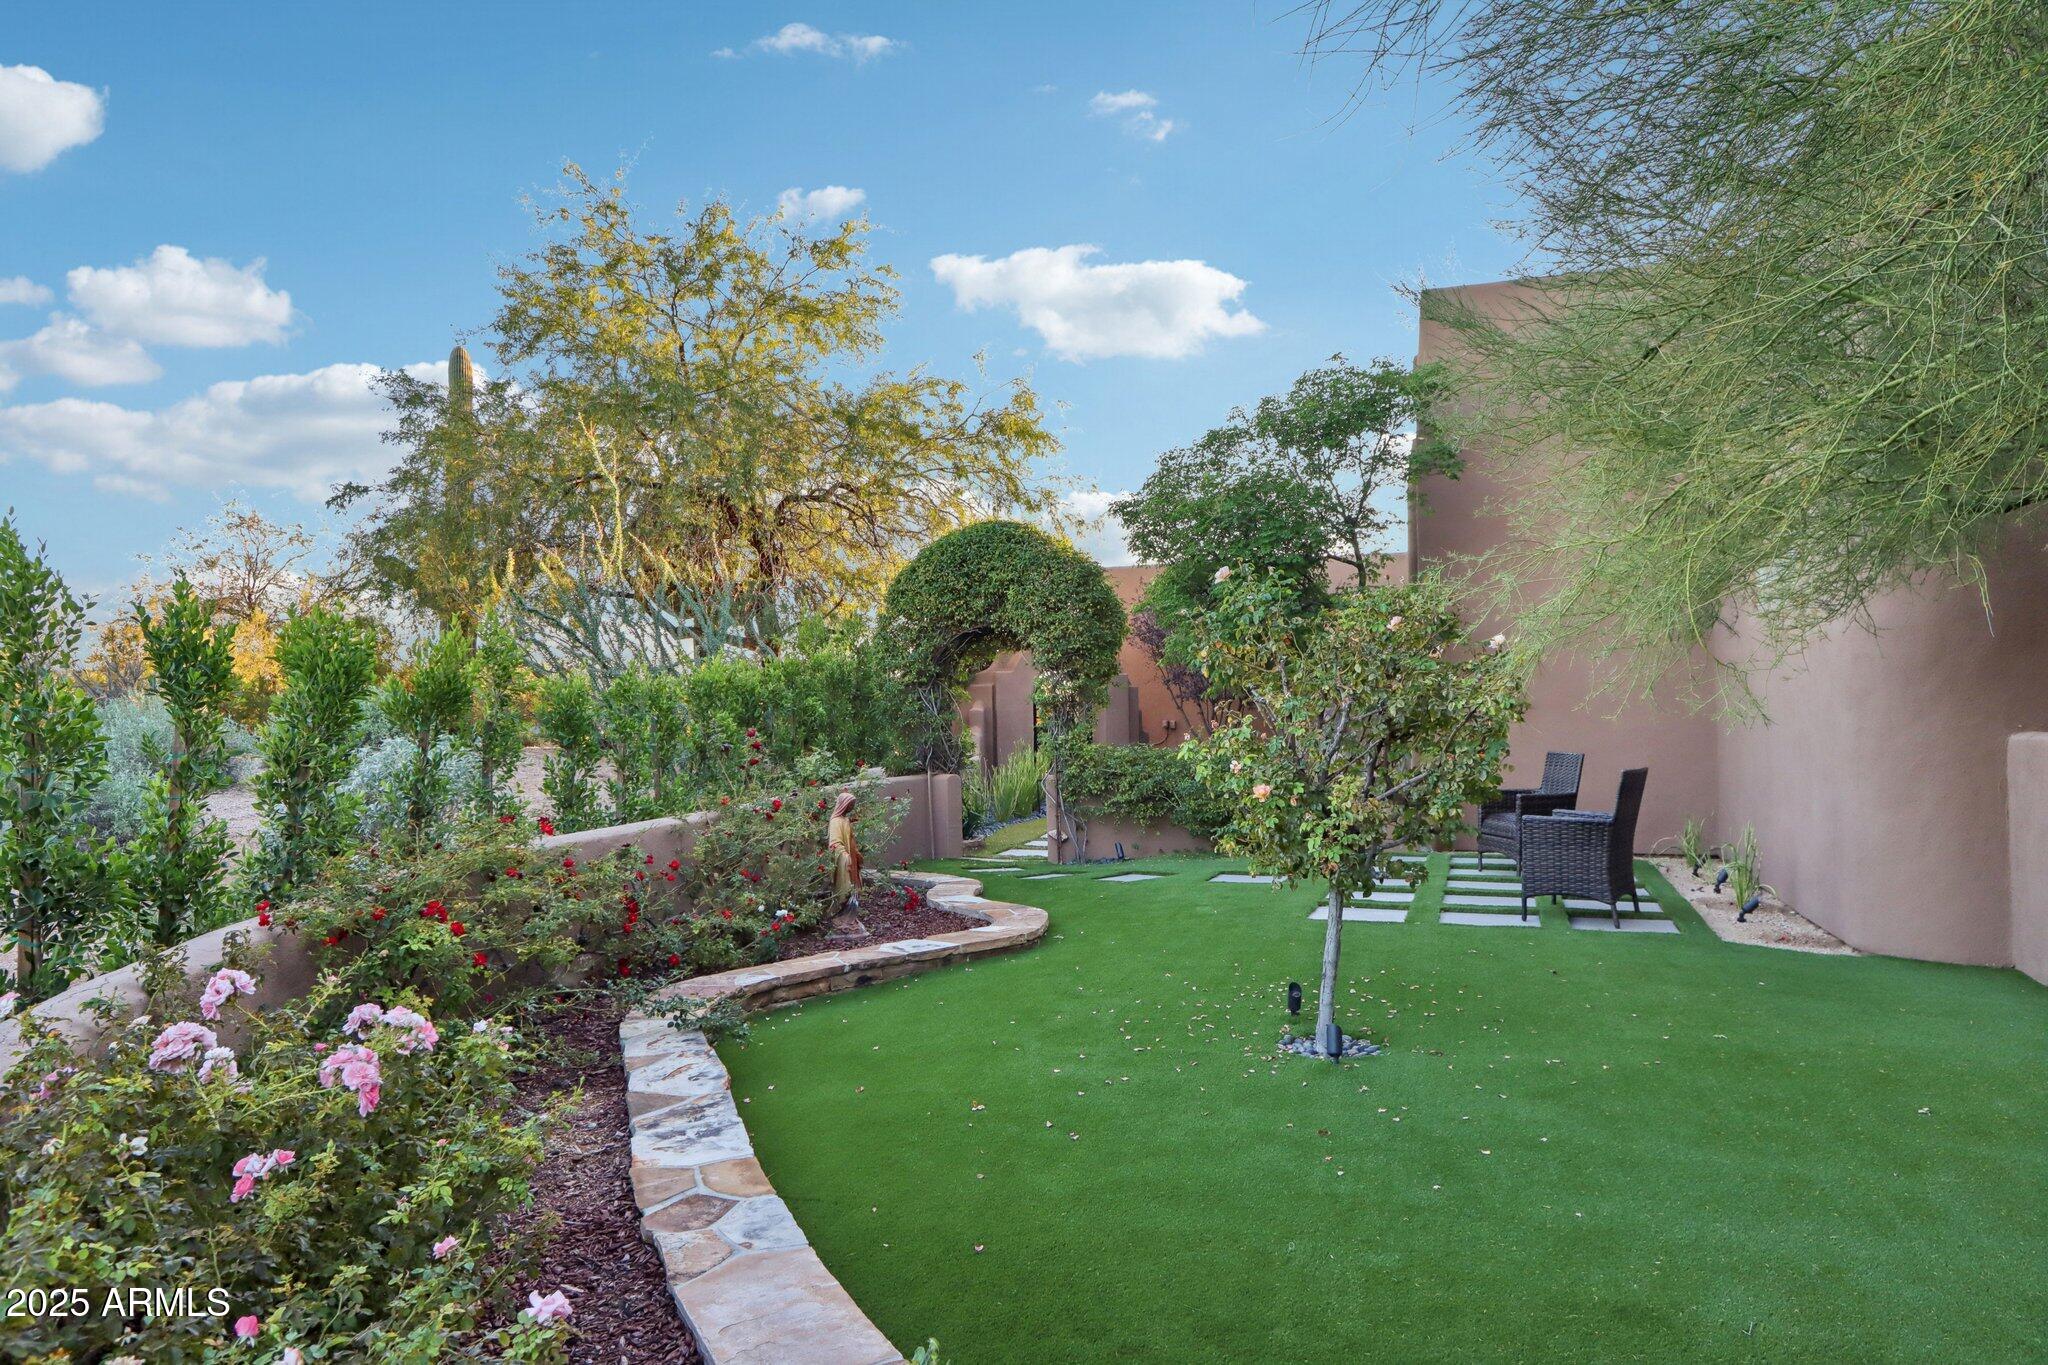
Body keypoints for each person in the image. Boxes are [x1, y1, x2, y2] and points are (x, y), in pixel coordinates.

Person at [828, 790, 863, 910]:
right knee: (846, 888)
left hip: (852, 857)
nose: (852, 807)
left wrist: (856, 854)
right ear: (843, 804)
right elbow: (835, 843)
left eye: (853, 805)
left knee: (855, 887)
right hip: (845, 859)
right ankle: (843, 913)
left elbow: (851, 839)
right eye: (850, 804)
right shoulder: (835, 821)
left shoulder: (845, 820)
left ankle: (852, 913)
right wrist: (845, 857)